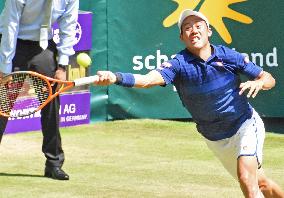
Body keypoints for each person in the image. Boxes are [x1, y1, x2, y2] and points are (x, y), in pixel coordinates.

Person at [94, 9, 284, 197]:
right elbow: (147, 80)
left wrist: (259, 82)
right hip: (215, 139)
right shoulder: (178, 64)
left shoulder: (228, 56)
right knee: (261, 183)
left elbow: (268, 78)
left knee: (245, 178)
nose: (193, 30)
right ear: (182, 37)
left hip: (245, 124)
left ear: (209, 31)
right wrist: (115, 77)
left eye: (198, 25)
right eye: (187, 28)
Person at [0, 0, 79, 180]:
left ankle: (53, 164)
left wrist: (62, 65)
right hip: (12, 43)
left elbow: (69, 23)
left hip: (43, 46)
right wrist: (5, 67)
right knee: (2, 103)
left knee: (51, 102)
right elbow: (11, 25)